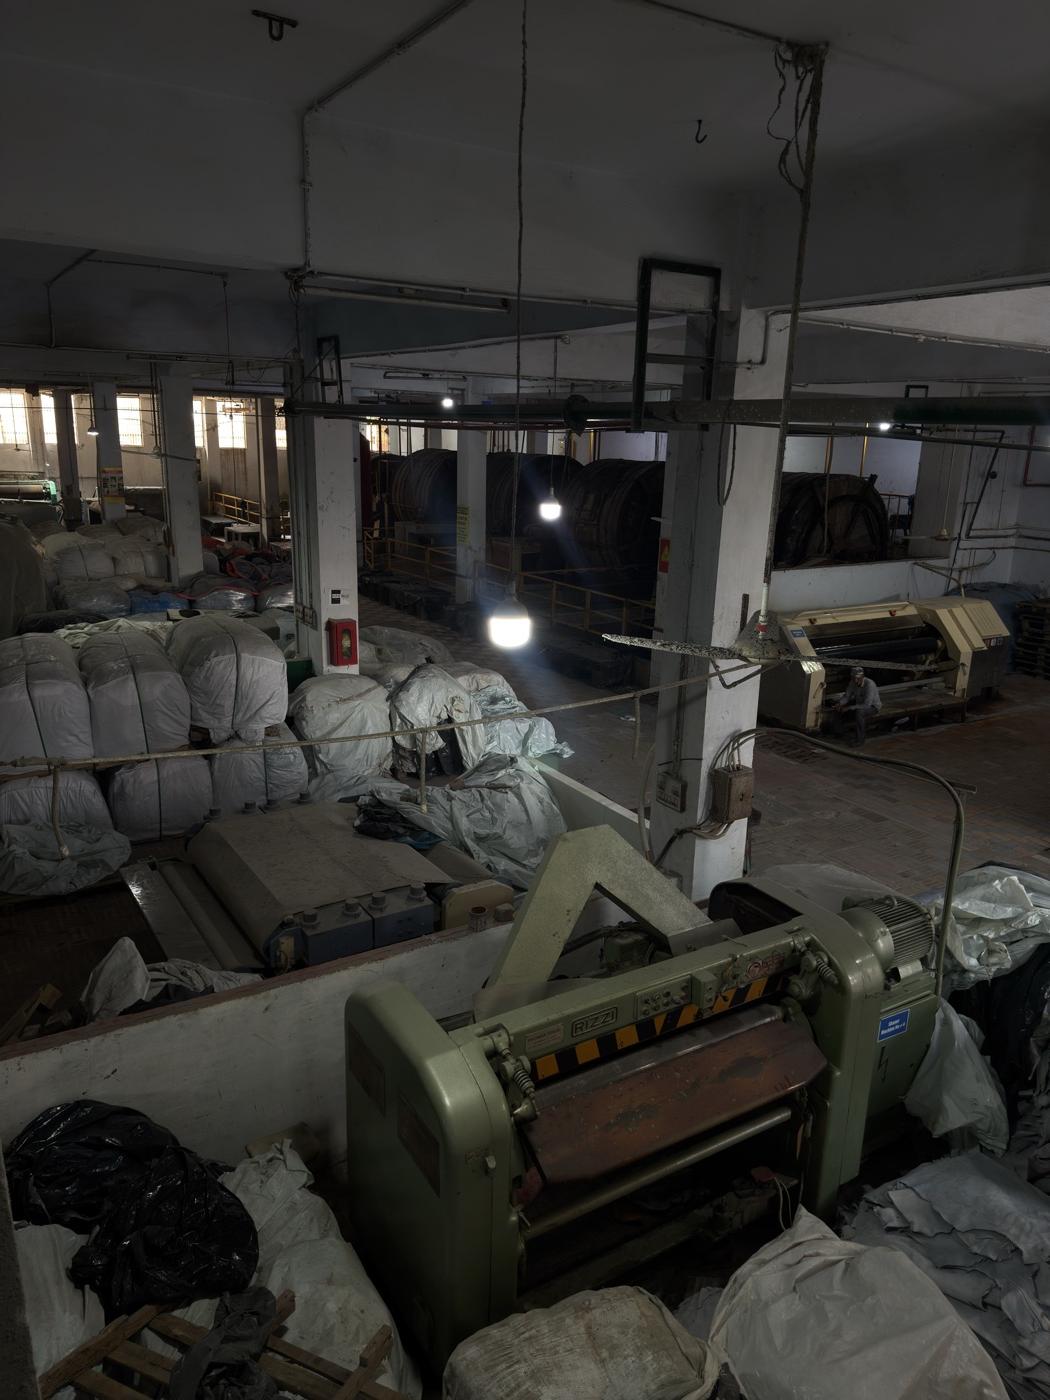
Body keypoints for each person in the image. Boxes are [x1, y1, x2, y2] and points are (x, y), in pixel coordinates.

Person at [836, 666, 881, 746]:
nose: (855, 680)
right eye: (853, 678)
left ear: (862, 677)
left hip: (872, 707)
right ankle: (839, 732)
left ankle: (860, 740)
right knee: (840, 708)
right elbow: (847, 696)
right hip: (859, 703)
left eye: (857, 678)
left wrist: (850, 708)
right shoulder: (852, 682)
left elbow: (867, 705)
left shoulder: (869, 684)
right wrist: (840, 703)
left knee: (859, 713)